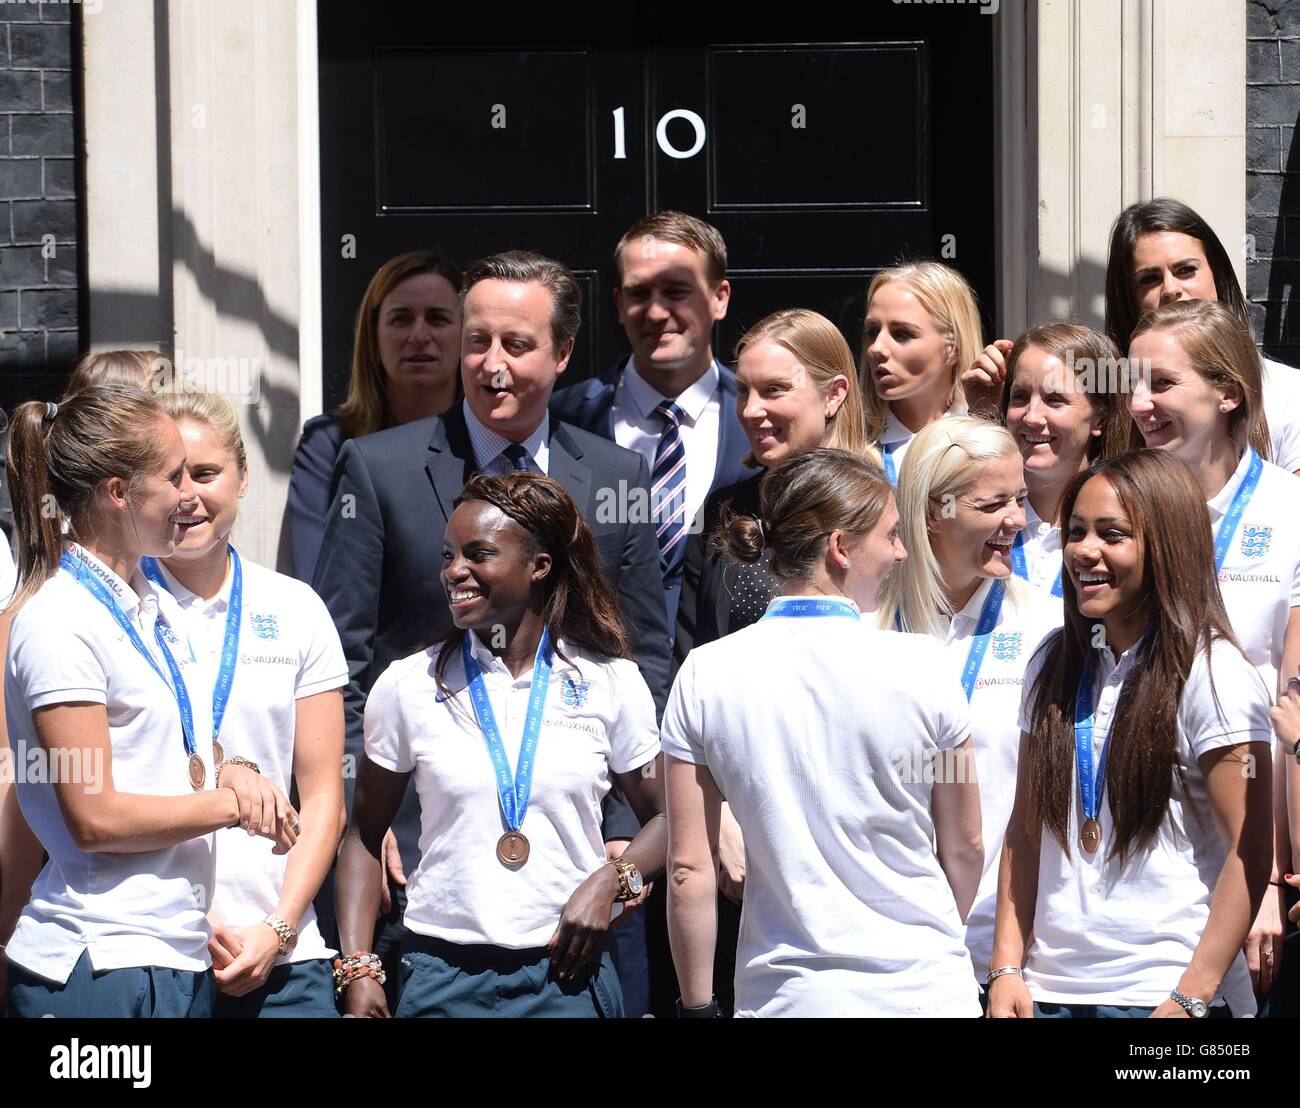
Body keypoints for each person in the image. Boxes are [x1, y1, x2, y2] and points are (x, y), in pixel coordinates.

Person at [314, 250, 671, 1007]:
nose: (492, 364)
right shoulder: (379, 468)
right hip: (424, 858)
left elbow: (643, 653)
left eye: (517, 344)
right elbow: (339, 663)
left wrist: (618, 833)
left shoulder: (616, 479)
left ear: (564, 352)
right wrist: (365, 816)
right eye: (477, 341)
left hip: (573, 864)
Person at [2, 384, 297, 1017]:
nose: (190, 496)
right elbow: (95, 818)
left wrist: (233, 771)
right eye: (172, 478)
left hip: (170, 953)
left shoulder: (150, 609)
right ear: (118, 493)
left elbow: (163, 751)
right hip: (99, 962)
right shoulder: (60, 619)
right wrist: (228, 806)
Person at [664, 448, 983, 1017]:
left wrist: (696, 1006)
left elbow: (688, 868)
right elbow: (964, 846)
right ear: (840, 548)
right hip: (927, 991)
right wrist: (931, 945)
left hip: (787, 997)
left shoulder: (705, 673)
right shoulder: (929, 666)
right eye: (891, 535)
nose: (903, 552)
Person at [335, 473, 664, 1017]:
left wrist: (613, 880)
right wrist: (358, 967)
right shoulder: (407, 685)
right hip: (442, 975)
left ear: (539, 566)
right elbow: (364, 836)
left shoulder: (610, 681)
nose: (454, 572)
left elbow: (668, 819)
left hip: (567, 975)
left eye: (478, 554)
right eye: (447, 556)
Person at [989, 449, 1273, 1018]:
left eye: (1112, 534)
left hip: (1163, 997)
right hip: (1049, 994)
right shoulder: (1052, 662)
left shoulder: (1212, 675)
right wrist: (1006, 967)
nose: (1085, 552)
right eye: (1075, 532)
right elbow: (1024, 827)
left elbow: (1250, 848)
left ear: (1166, 545)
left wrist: (1191, 995)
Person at [670, 308, 871, 1013]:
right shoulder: (726, 509)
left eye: (775, 391)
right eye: (743, 393)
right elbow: (691, 670)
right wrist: (716, 814)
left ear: (834, 394)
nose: (753, 411)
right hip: (748, 832)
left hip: (865, 820)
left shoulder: (891, 505)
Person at [149, 389, 347, 1017]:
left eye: (206, 473)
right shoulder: (111, 608)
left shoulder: (295, 608)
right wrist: (189, 919)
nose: (188, 495)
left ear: (241, 479)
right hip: (155, 947)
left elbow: (322, 796)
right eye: (169, 476)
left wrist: (281, 927)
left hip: (285, 956)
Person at [1123, 299, 1300, 997]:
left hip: (1248, 850)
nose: (1137, 403)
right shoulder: (1118, 511)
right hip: (1139, 852)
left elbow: (1289, 713)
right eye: (1132, 382)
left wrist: (1262, 877)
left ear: (1228, 390)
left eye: (1162, 383)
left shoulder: (1288, 515)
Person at [876, 417, 1059, 985]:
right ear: (934, 511)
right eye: (993, 504)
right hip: (883, 946)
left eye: (1021, 499)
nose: (1017, 520)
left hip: (1007, 955)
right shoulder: (864, 628)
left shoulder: (1049, 629)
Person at [550, 211, 752, 628]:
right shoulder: (561, 419)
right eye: (639, 293)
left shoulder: (760, 420)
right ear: (618, 304)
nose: (657, 312)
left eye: (676, 291)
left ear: (720, 297)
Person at [288, 251, 463, 583]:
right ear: (374, 336)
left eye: (438, 318)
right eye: (401, 318)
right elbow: (312, 581)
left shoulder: (490, 438)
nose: (419, 336)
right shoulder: (328, 445)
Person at [1104, 196, 1300, 473]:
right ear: (1129, 298)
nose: (1170, 289)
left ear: (1217, 275)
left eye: (1186, 270)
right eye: (1150, 279)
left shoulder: (1289, 392)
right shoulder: (1108, 395)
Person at [999, 324, 1120, 597]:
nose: (1031, 416)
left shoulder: (1126, 526)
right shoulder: (980, 520)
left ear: (1100, 416)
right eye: (1019, 397)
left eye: (1054, 400)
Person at [860, 260, 982, 483]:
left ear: (952, 348)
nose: (877, 347)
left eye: (902, 334)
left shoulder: (986, 441)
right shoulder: (850, 448)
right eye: (872, 331)